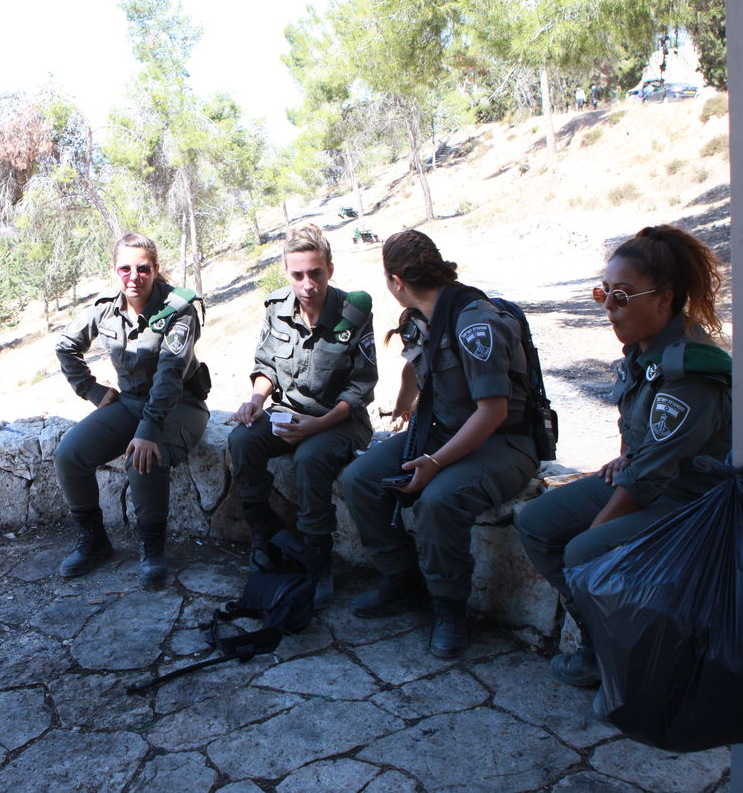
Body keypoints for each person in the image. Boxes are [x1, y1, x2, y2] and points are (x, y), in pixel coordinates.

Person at [515, 224, 740, 689]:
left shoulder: (689, 370)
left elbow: (651, 480)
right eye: (604, 294)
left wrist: (597, 536)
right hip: (653, 480)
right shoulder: (645, 352)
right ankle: (604, 636)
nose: (609, 308)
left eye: (622, 296)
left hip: (700, 503)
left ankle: (624, 658)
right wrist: (628, 454)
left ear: (663, 299)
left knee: (585, 550)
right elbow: (642, 438)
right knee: (536, 522)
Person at [340, 230, 539, 659]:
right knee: (359, 478)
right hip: (445, 429)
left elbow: (493, 412)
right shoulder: (419, 315)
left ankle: (450, 608)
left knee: (439, 500)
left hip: (503, 441)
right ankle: (401, 579)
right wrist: (400, 408)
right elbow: (417, 365)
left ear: (395, 280)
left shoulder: (475, 321)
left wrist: (433, 461)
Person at [228, 225, 378, 608]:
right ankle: (263, 536)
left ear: (330, 269)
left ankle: (317, 557)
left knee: (311, 458)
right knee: (241, 440)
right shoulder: (277, 308)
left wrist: (319, 425)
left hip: (342, 420)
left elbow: (360, 386)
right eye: (298, 275)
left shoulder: (352, 314)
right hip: (289, 414)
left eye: (316, 273)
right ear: (287, 273)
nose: (307, 284)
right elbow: (266, 366)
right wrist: (257, 399)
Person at [54, 233, 211, 590]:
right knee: (70, 454)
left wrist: (148, 430)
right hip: (128, 402)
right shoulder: (106, 308)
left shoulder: (179, 309)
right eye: (125, 268)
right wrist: (91, 390)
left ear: (155, 270)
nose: (133, 276)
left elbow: (170, 375)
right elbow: (66, 346)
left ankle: (152, 551)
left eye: (143, 268)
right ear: (114, 270)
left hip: (181, 404)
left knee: (144, 457)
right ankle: (94, 542)